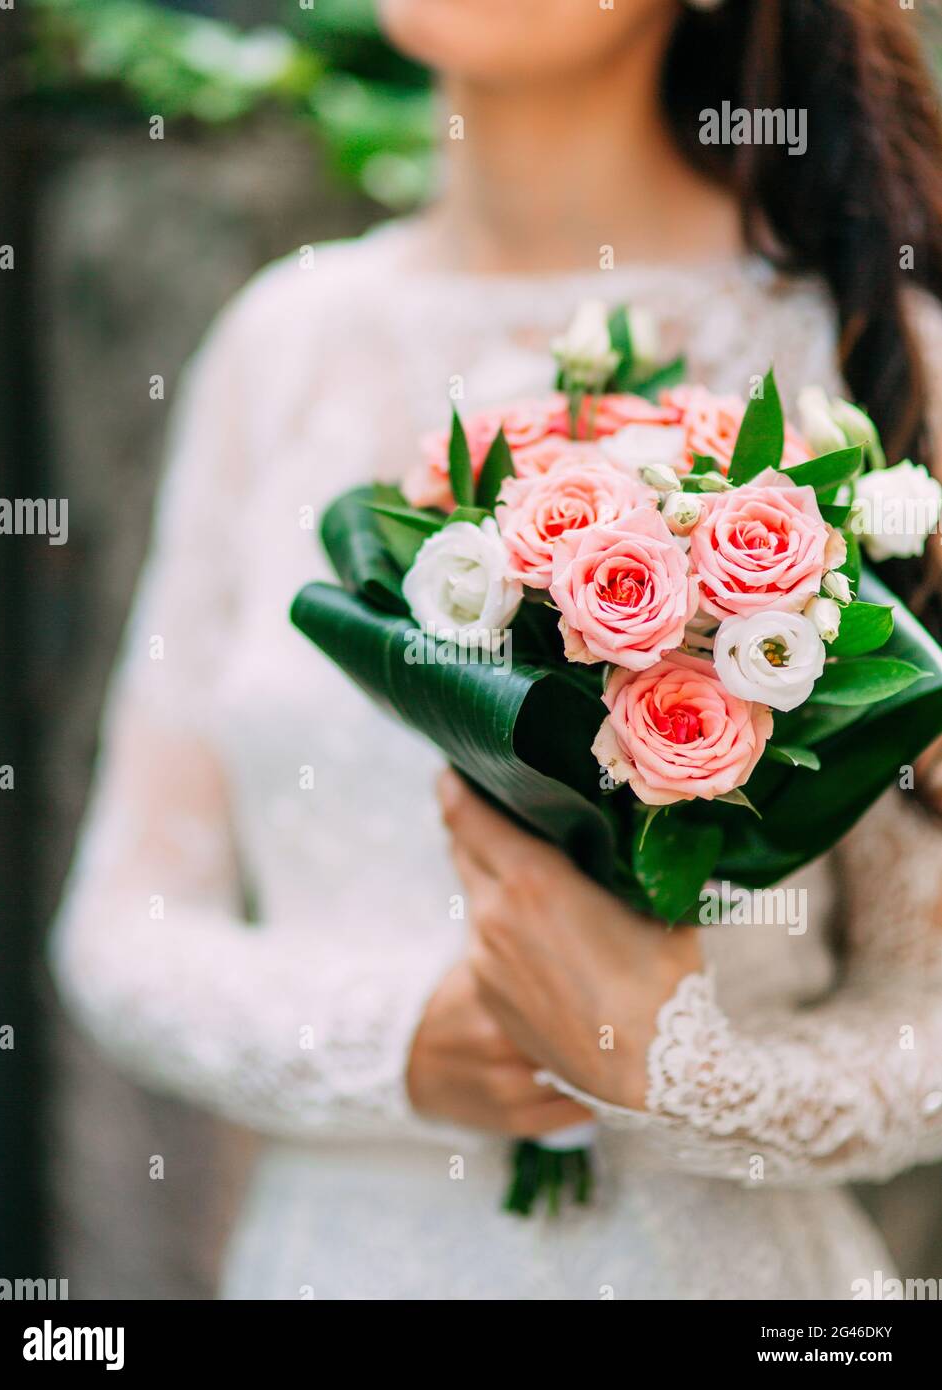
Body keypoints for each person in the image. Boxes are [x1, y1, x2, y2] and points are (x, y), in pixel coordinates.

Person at [52, 0, 942, 1299]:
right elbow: (121, 929)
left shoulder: (863, 352)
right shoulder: (279, 342)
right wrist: (394, 1041)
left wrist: (675, 1072)